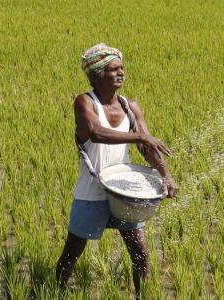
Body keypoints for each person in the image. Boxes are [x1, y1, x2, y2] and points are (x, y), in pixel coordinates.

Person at [55, 43, 179, 298]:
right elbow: (96, 133)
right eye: (113, 69)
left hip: (124, 191)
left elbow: (148, 149)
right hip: (92, 193)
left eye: (122, 68)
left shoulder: (130, 107)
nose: (121, 73)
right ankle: (54, 293)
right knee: (71, 254)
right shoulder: (84, 103)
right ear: (95, 75)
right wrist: (140, 138)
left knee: (141, 254)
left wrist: (166, 176)